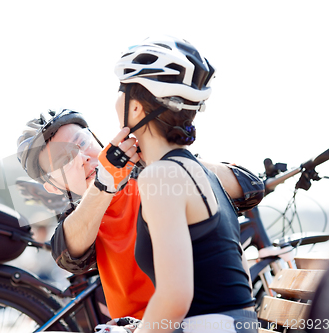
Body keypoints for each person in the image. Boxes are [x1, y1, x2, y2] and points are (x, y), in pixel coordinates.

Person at [16, 108, 264, 325]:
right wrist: (104, 184)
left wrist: (169, 157)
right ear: (52, 186)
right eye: (64, 159)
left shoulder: (159, 177)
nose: (82, 158)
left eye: (82, 143)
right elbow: (68, 256)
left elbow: (250, 187)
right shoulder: (83, 219)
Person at [112, 35, 258, 332]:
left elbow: (175, 298)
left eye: (121, 90)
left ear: (137, 107)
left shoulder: (161, 176)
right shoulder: (198, 171)